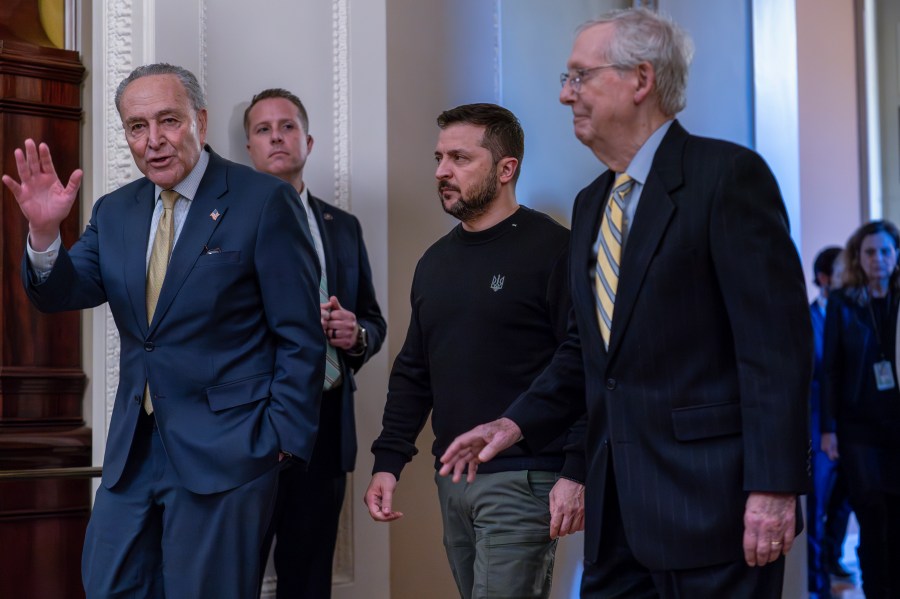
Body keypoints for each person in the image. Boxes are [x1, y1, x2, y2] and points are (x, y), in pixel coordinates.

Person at [439, 9, 812, 598]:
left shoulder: (727, 178)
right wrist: (514, 422)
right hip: (616, 517)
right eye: (566, 80)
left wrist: (775, 487)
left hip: (713, 508)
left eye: (580, 76)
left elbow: (776, 351)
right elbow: (589, 350)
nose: (566, 96)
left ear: (640, 80)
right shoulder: (592, 204)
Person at [1, 64, 325, 598]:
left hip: (230, 453)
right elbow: (63, 291)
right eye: (136, 127)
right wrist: (43, 234)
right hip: (134, 453)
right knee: (109, 587)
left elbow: (301, 337)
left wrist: (278, 445)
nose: (153, 141)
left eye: (168, 121)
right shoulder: (116, 210)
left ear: (199, 119)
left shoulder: (263, 201)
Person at [363, 103, 586, 599]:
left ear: (506, 169)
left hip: (524, 476)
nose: (442, 171)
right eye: (440, 158)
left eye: (460, 158)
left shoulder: (554, 250)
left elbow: (584, 365)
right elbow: (414, 372)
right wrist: (387, 463)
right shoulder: (435, 262)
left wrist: (576, 469)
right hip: (453, 481)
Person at [244, 88, 386, 598]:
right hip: (249, 424)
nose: (276, 136)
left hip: (325, 427)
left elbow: (373, 318)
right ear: (249, 148)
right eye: (263, 129)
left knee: (308, 581)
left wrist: (359, 335)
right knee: (234, 575)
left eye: (286, 126)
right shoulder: (223, 222)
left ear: (307, 141)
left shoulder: (342, 227)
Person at [822, 220, 900, 599]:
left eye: (885, 251)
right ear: (858, 257)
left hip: (898, 426)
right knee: (872, 515)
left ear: (896, 254)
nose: (878, 259)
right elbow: (831, 368)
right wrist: (828, 427)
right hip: (858, 428)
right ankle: (877, 592)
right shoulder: (843, 302)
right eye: (870, 252)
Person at [807, 246, 853, 597]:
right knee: (817, 510)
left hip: (853, 430)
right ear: (824, 278)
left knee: (844, 505)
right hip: (819, 428)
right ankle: (817, 584)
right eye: (841, 271)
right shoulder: (807, 321)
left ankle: (834, 561)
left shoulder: (854, 315)